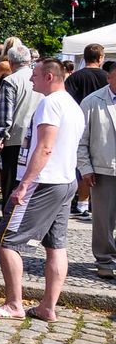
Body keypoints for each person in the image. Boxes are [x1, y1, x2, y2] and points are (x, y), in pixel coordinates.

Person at [0, 59, 84, 322]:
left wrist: (25, 184)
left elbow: (45, 147)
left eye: (35, 75)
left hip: (43, 182)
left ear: (49, 77)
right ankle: (47, 307)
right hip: (64, 180)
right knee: (56, 245)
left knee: (6, 240)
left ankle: (14, 304)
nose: (30, 79)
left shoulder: (51, 104)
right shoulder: (72, 104)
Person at [78, 62, 116, 279]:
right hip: (103, 168)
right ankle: (104, 259)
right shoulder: (92, 102)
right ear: (109, 78)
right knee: (103, 219)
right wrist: (85, 167)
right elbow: (80, 140)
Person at [0, 45, 39, 211]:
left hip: (15, 137)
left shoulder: (11, 81)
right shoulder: (39, 78)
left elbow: (5, 112)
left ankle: (9, 213)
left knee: (11, 178)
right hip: (36, 136)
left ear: (10, 62)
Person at [67, 44, 108, 220]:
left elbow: (67, 101)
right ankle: (89, 203)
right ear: (100, 58)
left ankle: (82, 203)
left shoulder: (75, 77)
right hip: (103, 125)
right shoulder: (107, 77)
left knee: (80, 165)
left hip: (78, 124)